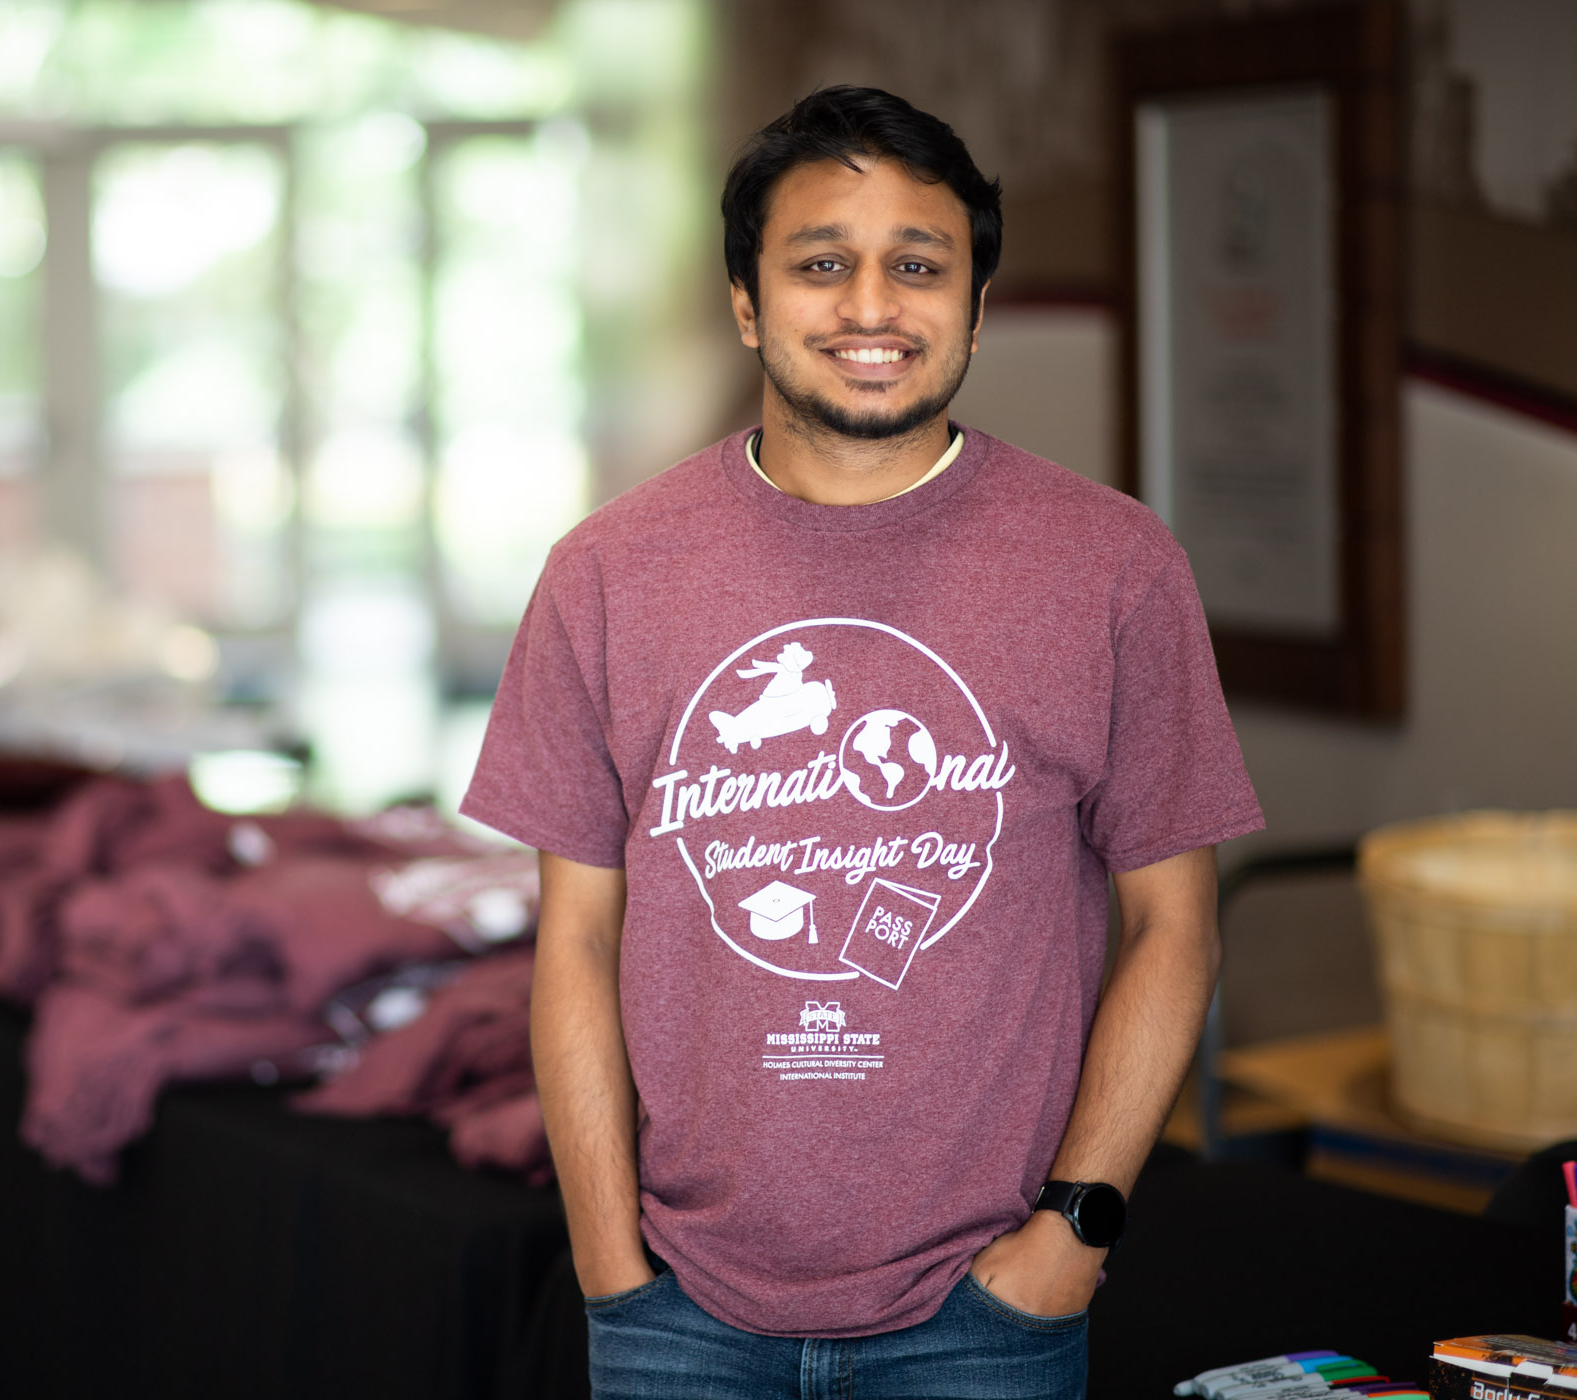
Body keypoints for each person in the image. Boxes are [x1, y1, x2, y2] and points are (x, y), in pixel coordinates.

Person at [461, 86, 1264, 1399]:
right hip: (676, 1318)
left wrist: (1075, 1236)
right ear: (746, 302)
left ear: (977, 302)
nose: (872, 306)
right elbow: (577, 940)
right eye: (822, 263)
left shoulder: (1111, 568)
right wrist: (612, 1272)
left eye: (919, 265)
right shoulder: (606, 575)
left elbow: (1177, 926)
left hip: (986, 1318)